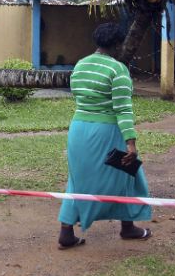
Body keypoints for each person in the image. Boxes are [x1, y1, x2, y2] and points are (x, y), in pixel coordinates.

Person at [57, 22, 152, 249]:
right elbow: (123, 108)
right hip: (106, 132)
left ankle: (66, 232)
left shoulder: (80, 65)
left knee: (77, 181)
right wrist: (130, 142)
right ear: (117, 44)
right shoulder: (117, 69)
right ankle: (128, 227)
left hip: (79, 129)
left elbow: (77, 95)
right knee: (127, 174)